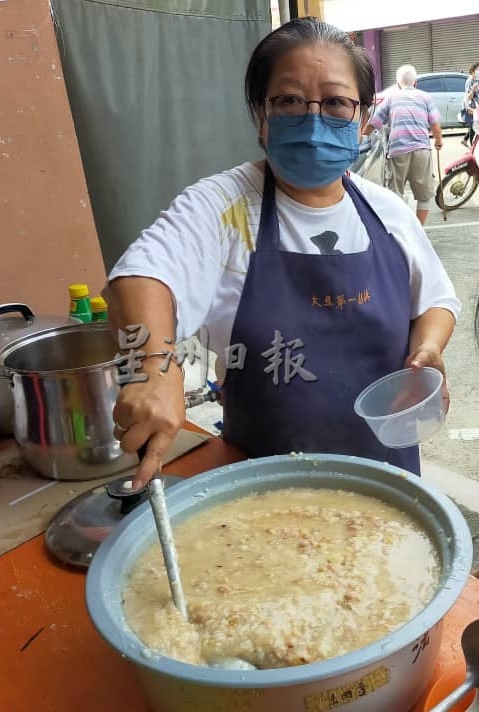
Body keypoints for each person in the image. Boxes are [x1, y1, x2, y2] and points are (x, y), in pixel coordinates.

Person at [104, 18, 460, 487]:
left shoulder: (387, 210)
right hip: (261, 489)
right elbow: (141, 274)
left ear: (364, 117)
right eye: (289, 101)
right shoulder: (225, 205)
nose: (313, 120)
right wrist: (153, 366)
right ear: (260, 115)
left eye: (335, 102)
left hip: (387, 484)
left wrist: (428, 349)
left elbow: (435, 299)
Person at [363, 64, 443, 226]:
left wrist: (361, 137)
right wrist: (439, 141)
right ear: (415, 83)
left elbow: (375, 123)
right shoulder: (425, 97)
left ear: (398, 84)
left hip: (398, 151)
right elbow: (435, 124)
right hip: (421, 149)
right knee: (423, 196)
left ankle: (400, 228)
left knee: (395, 193)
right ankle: (418, 229)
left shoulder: (392, 98)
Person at [461, 63, 479, 148]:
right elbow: (468, 97)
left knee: (476, 126)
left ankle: (465, 139)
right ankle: (472, 146)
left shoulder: (478, 80)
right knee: (473, 125)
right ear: (472, 71)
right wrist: (473, 89)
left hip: (477, 107)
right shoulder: (469, 81)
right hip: (472, 107)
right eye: (477, 70)